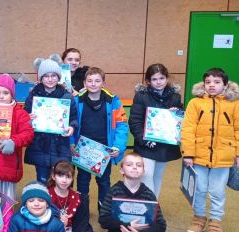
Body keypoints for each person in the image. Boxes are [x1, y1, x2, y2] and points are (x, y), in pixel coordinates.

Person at [182, 68, 239, 232]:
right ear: (203, 84)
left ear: (225, 85)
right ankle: (199, 218)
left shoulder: (235, 104)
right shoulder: (195, 103)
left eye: (217, 82)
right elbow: (187, 129)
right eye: (208, 82)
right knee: (199, 189)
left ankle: (216, 222)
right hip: (198, 156)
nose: (212, 85)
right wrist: (188, 153)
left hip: (224, 157)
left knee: (217, 191)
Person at [98, 152, 166, 232]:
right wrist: (126, 225)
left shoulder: (148, 194)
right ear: (121, 170)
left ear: (144, 171)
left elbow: (161, 225)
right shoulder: (114, 191)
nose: (135, 167)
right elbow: (103, 219)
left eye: (139, 165)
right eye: (129, 164)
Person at [73, 67, 128, 211]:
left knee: (104, 182)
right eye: (89, 81)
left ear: (103, 82)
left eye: (97, 81)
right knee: (82, 181)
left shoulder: (113, 101)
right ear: (84, 83)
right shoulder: (76, 101)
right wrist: (71, 143)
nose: (93, 84)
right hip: (83, 149)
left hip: (105, 150)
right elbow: (69, 124)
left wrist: (118, 147)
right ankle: (81, 210)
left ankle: (104, 211)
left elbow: (122, 126)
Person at [128, 63, 182, 198]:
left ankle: (154, 205)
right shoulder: (141, 96)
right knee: (146, 175)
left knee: (158, 176)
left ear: (167, 78)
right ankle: (150, 205)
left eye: (162, 78)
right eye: (154, 79)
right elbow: (135, 121)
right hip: (146, 143)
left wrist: (177, 113)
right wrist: (144, 140)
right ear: (148, 81)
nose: (158, 82)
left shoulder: (175, 97)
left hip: (164, 144)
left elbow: (180, 120)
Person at [24, 55, 77, 183]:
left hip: (60, 145)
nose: (50, 79)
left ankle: (59, 202)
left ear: (59, 77)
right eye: (46, 76)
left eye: (53, 76)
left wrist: (72, 127)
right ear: (41, 78)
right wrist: (28, 119)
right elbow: (25, 114)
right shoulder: (33, 95)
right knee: (42, 179)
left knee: (61, 178)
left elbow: (73, 117)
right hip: (39, 144)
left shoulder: (66, 96)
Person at [47, 161, 95, 232]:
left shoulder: (76, 197)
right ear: (53, 176)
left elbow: (81, 224)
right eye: (60, 176)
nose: (64, 180)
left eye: (68, 177)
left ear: (72, 179)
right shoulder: (46, 196)